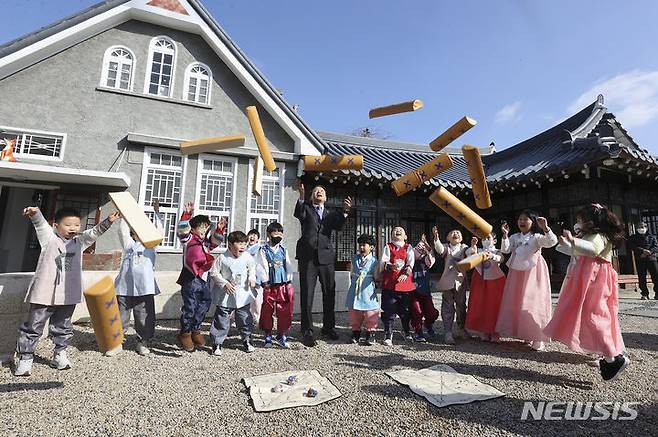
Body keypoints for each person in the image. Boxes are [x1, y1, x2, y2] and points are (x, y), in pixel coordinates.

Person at [14, 207, 120, 376]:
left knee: (63, 326)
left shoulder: (80, 241)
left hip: (68, 293)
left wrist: (108, 222)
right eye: (68, 224)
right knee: (34, 326)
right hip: (45, 293)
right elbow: (40, 224)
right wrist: (35, 213)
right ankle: (26, 358)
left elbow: (94, 233)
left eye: (77, 224)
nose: (73, 228)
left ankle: (59, 353)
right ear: (56, 225)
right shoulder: (48, 238)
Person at [544, 204, 630, 381]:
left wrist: (572, 241)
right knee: (594, 315)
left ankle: (612, 357)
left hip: (595, 278)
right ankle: (611, 356)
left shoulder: (599, 235)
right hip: (589, 277)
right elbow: (582, 252)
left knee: (594, 316)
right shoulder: (592, 235)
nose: (579, 223)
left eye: (580, 220)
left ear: (591, 221)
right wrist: (567, 243)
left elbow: (592, 250)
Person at [294, 182, 352, 346]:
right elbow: (299, 213)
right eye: (316, 190)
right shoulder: (306, 209)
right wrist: (301, 197)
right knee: (307, 294)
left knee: (329, 292)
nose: (319, 192)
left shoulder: (331, 214)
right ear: (312, 196)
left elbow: (339, 226)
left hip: (326, 257)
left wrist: (346, 211)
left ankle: (328, 327)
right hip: (308, 257)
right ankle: (307, 330)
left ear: (325, 198)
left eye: (322, 191)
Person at [496, 210, 557, 351]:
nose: (522, 221)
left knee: (533, 302)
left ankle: (538, 336)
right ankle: (525, 333)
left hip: (534, 271)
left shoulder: (537, 237)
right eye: (520, 219)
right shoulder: (515, 236)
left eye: (526, 219)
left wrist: (546, 228)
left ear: (533, 221)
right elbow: (505, 250)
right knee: (518, 301)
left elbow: (551, 242)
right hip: (516, 272)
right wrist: (505, 235)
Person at [114, 200, 164, 356]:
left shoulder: (151, 246)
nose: (139, 233)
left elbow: (159, 231)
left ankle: (143, 341)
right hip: (124, 286)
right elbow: (123, 231)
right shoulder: (129, 244)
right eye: (136, 230)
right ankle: (116, 341)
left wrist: (156, 213)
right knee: (121, 314)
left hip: (145, 287)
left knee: (144, 315)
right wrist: (124, 216)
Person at [176, 202, 225, 352]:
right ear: (194, 228)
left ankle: (195, 330)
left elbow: (215, 242)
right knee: (190, 307)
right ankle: (185, 333)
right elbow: (182, 231)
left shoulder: (205, 243)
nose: (204, 230)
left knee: (204, 304)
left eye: (206, 227)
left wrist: (219, 229)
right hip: (191, 278)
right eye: (201, 227)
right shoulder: (188, 239)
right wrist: (186, 215)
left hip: (204, 278)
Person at [208, 231, 257, 355]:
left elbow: (252, 268)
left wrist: (252, 279)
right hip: (225, 293)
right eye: (239, 243)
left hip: (242, 293)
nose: (242, 246)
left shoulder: (247, 257)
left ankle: (247, 340)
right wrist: (224, 283)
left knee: (244, 317)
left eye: (244, 243)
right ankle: (217, 343)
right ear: (230, 244)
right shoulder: (222, 258)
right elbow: (214, 273)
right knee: (222, 318)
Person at [256, 222, 294, 348]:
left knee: (284, 310)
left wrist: (289, 279)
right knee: (267, 309)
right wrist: (265, 281)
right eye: (275, 233)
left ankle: (282, 334)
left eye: (280, 233)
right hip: (269, 284)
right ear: (268, 234)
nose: (277, 235)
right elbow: (261, 266)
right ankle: (268, 334)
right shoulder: (263, 250)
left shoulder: (284, 250)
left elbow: (288, 265)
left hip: (282, 283)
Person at [464, 233, 506, 342]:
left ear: (495, 240)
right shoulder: (478, 250)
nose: (485, 240)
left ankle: (495, 331)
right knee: (480, 303)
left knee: (495, 305)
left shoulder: (496, 251)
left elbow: (501, 259)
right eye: (483, 238)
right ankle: (482, 329)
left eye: (488, 238)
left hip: (495, 280)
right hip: (480, 278)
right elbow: (469, 254)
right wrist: (473, 245)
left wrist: (493, 256)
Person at [432, 227, 469, 344]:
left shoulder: (464, 248)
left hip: (460, 281)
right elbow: (439, 249)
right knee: (447, 306)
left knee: (461, 305)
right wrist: (436, 238)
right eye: (452, 232)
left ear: (462, 238)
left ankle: (461, 327)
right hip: (448, 281)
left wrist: (473, 246)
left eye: (458, 232)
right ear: (448, 238)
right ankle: (448, 331)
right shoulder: (447, 248)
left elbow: (471, 253)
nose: (455, 233)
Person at [380, 226, 415, 346]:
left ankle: (406, 331)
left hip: (405, 284)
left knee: (405, 310)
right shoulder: (388, 247)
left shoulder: (408, 247)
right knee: (389, 309)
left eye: (401, 230)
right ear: (391, 235)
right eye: (395, 230)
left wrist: (405, 273)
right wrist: (391, 266)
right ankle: (388, 333)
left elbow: (411, 262)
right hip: (390, 282)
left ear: (405, 236)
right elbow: (384, 261)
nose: (398, 231)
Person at [346, 234, 379, 345]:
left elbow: (376, 275)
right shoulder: (354, 258)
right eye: (360, 245)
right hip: (355, 287)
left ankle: (371, 332)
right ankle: (356, 331)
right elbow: (351, 272)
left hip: (368, 288)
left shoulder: (375, 261)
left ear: (371, 247)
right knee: (354, 311)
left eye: (364, 245)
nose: (361, 248)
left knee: (370, 311)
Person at [410, 234, 439, 342]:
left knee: (431, 312)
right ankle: (418, 332)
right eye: (419, 246)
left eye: (423, 247)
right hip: (412, 291)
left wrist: (428, 249)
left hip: (425, 291)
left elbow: (430, 261)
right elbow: (411, 254)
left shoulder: (426, 260)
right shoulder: (410, 259)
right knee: (416, 312)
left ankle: (428, 324)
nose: (420, 248)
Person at [627, 222, 658, 300]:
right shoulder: (633, 237)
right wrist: (642, 251)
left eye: (643, 227)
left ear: (646, 228)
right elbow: (632, 246)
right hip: (640, 258)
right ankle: (644, 293)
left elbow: (656, 246)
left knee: (656, 276)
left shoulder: (652, 237)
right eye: (639, 227)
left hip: (652, 259)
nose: (641, 228)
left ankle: (657, 293)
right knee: (641, 277)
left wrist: (649, 252)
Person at [246, 228, 264, 322]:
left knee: (257, 300)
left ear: (258, 239)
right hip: (245, 278)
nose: (252, 237)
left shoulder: (260, 249)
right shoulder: (244, 248)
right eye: (250, 235)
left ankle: (257, 318)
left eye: (254, 235)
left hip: (257, 278)